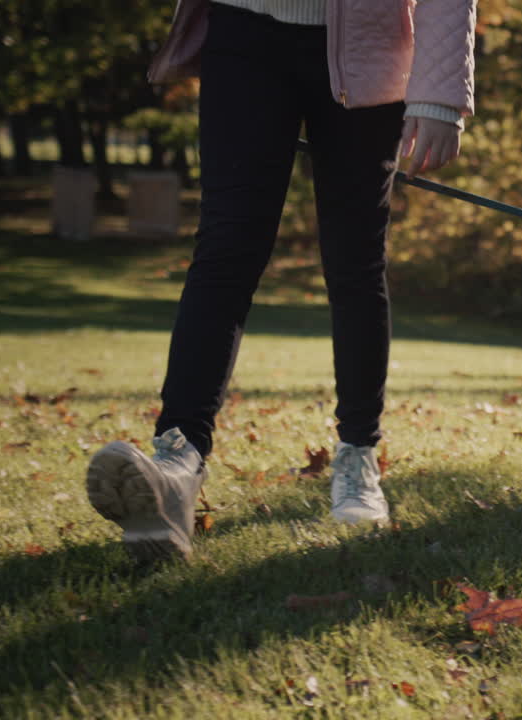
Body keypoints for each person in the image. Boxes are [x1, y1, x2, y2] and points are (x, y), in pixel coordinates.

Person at [85, 0, 477, 561]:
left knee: (355, 262)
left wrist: (439, 93)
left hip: (366, 43)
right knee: (225, 252)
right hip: (242, 31)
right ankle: (177, 465)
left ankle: (357, 455)